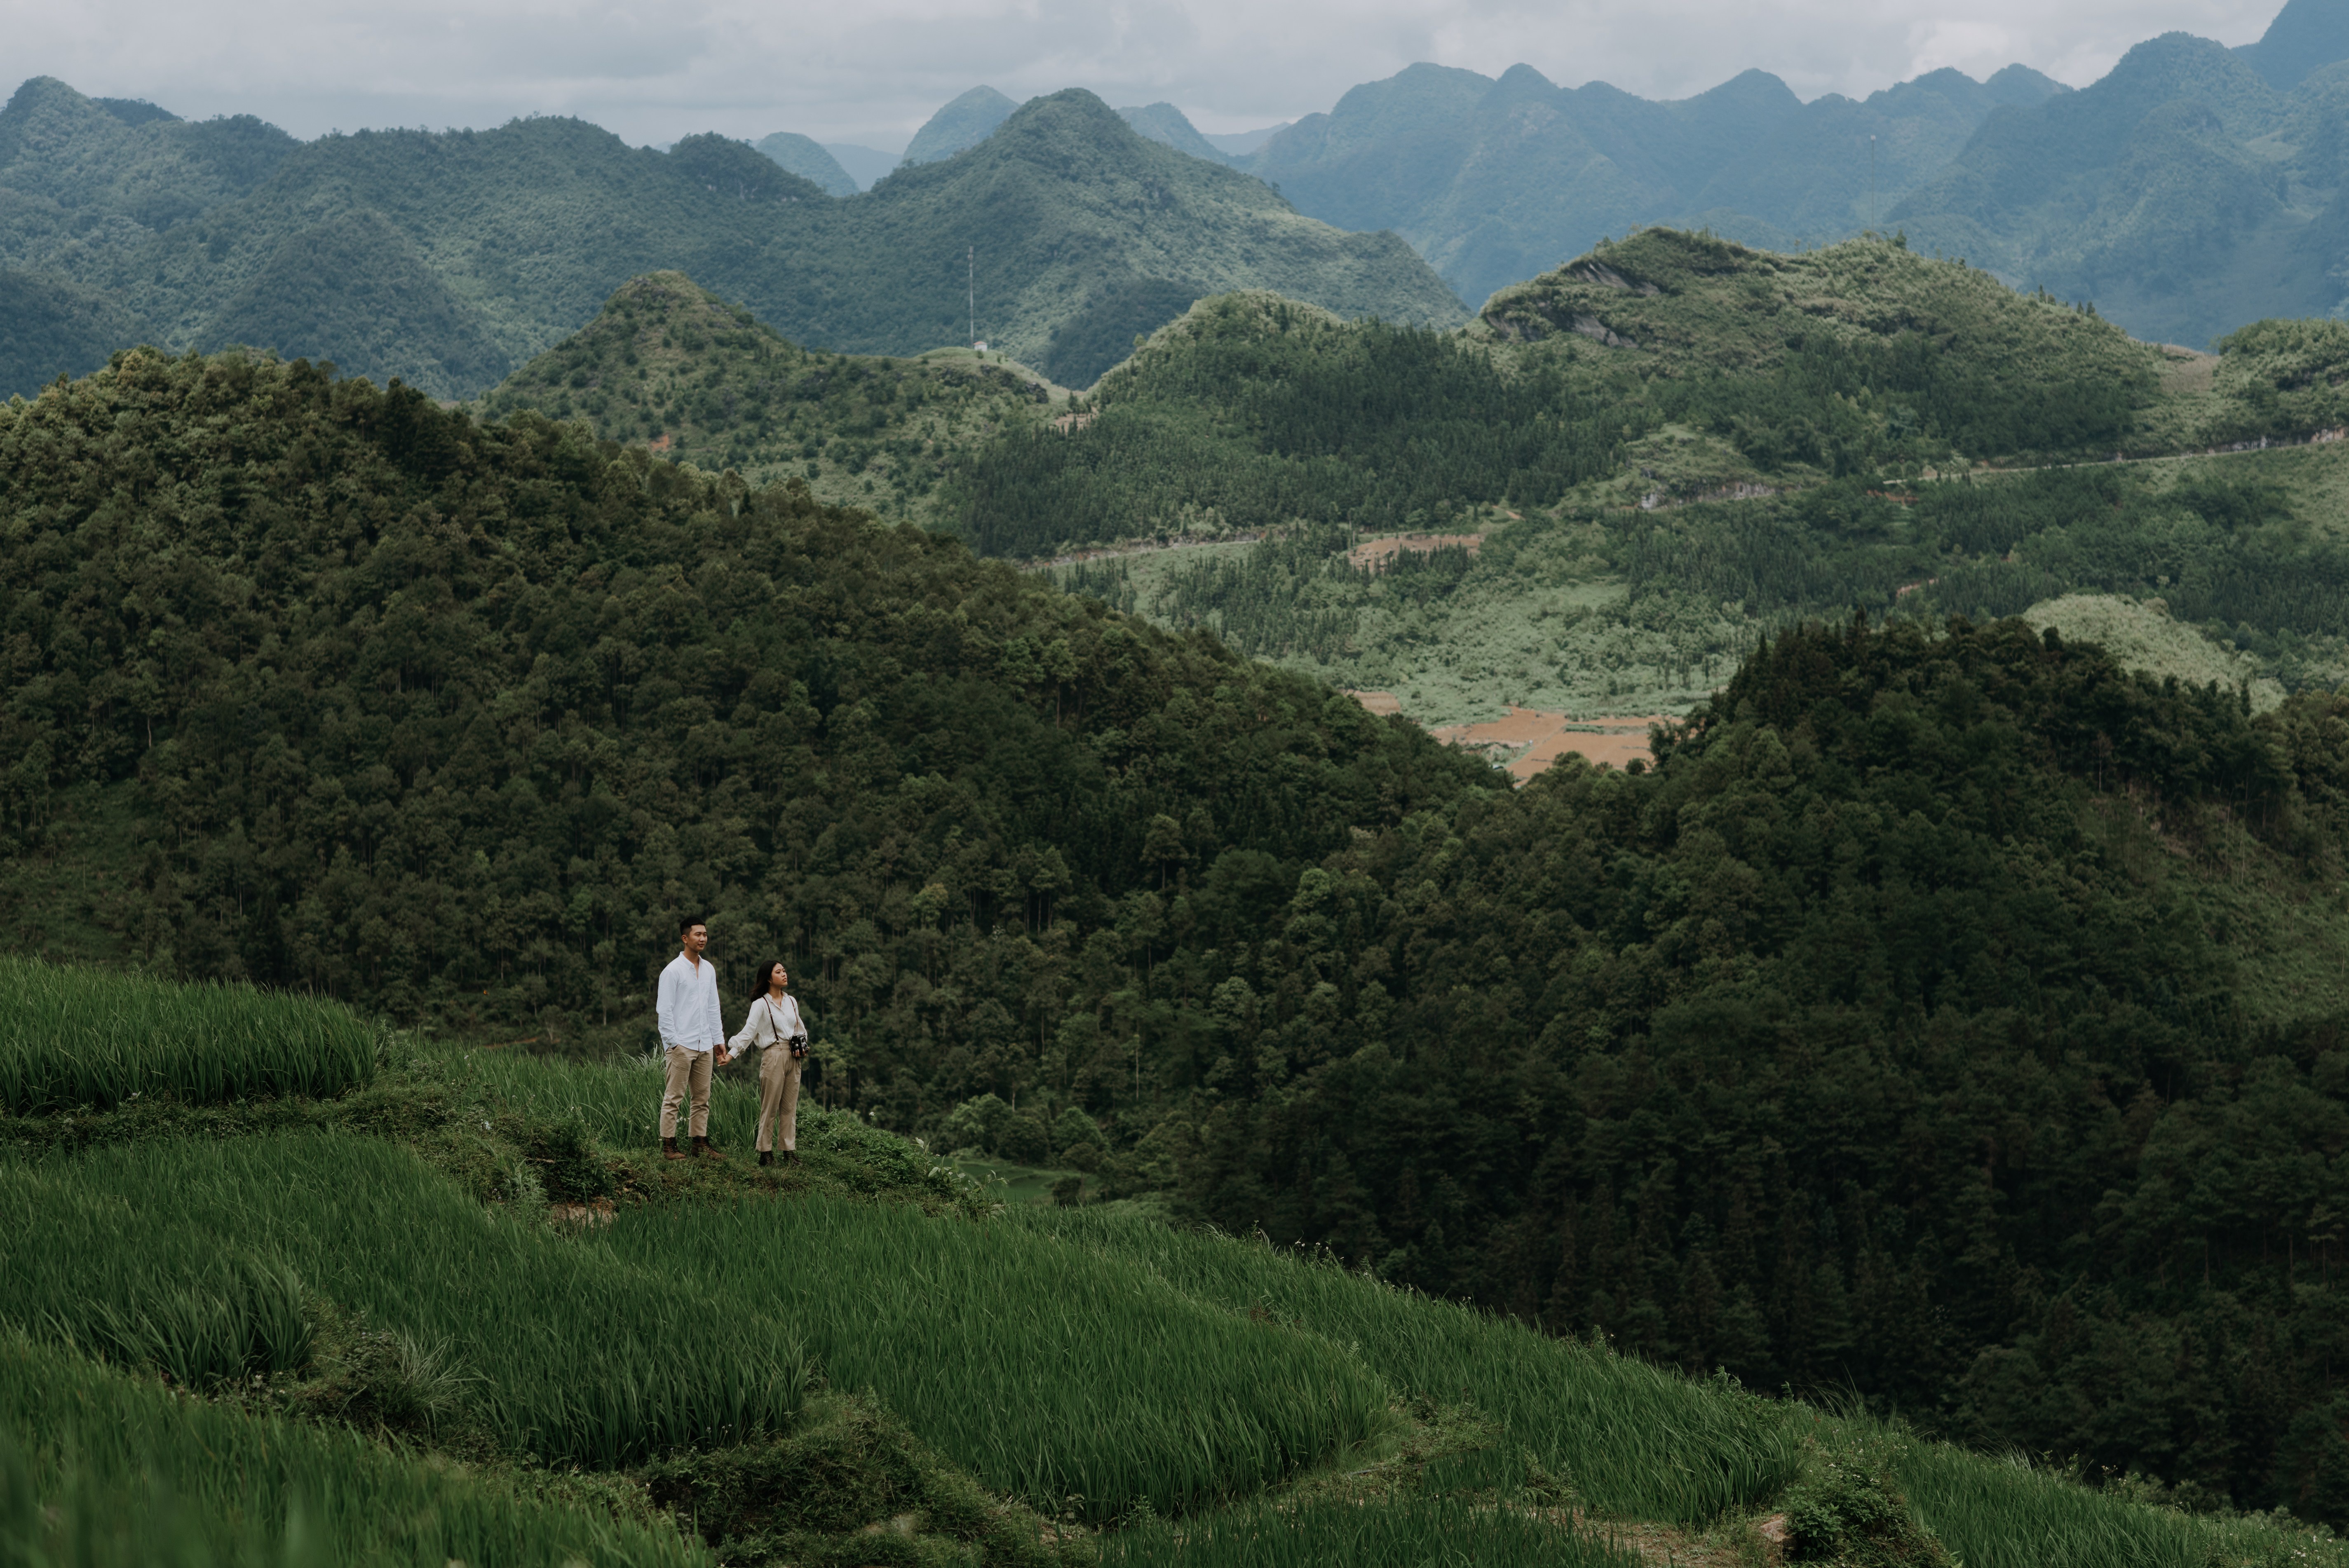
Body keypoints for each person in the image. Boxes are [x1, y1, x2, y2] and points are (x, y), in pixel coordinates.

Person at [656, 916, 729, 1160]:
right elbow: (664, 1011)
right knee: (673, 1098)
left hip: (705, 1044)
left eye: (705, 935)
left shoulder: (709, 969)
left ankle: (700, 1145)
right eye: (698, 935)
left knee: (702, 1099)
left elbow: (713, 1008)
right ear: (685, 938)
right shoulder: (672, 971)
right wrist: (673, 1044)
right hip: (682, 1045)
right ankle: (669, 1147)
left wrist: (718, 1040)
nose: (703, 939)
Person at [728, 960, 810, 1168]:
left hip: (794, 1055)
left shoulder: (791, 1001)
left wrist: (803, 1045)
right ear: (768, 978)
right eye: (779, 972)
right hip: (773, 1054)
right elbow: (749, 1032)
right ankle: (765, 1152)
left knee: (790, 1107)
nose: (785, 974)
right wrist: (732, 1054)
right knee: (770, 1106)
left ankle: (788, 1152)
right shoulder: (761, 1004)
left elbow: (800, 1027)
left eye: (784, 970)